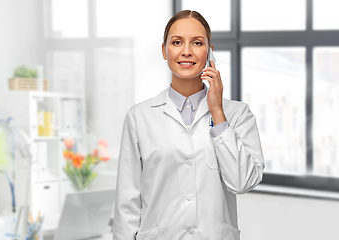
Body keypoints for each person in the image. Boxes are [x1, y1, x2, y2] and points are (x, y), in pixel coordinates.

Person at [113, 10, 264, 240]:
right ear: (164, 51)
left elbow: (243, 182)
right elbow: (127, 201)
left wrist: (218, 113)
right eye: (176, 42)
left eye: (197, 42)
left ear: (209, 52)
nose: (186, 51)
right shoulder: (139, 117)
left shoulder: (237, 114)